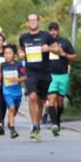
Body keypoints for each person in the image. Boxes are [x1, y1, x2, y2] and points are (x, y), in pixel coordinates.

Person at [18, 14, 53, 142]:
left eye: (35, 19)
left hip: (44, 72)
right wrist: (21, 54)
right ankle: (34, 126)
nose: (32, 22)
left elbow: (58, 49)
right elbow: (20, 50)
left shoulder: (46, 36)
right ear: (27, 23)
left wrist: (48, 47)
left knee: (40, 101)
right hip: (31, 71)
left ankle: (37, 125)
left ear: (38, 21)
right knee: (32, 97)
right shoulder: (24, 37)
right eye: (30, 20)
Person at [45, 22, 77, 136]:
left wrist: (65, 55)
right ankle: (54, 124)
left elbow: (74, 57)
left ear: (58, 31)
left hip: (63, 75)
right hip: (50, 75)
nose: (53, 32)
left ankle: (57, 120)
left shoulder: (64, 42)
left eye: (55, 30)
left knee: (60, 102)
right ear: (48, 31)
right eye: (51, 30)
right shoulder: (45, 44)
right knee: (51, 99)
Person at [0, 44, 26, 139]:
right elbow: (1, 73)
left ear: (14, 55)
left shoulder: (19, 65)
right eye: (5, 53)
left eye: (9, 53)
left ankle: (10, 122)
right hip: (7, 91)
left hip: (17, 92)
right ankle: (13, 130)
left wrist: (17, 80)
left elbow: (25, 76)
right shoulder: (3, 65)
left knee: (14, 111)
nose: (7, 55)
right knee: (11, 108)